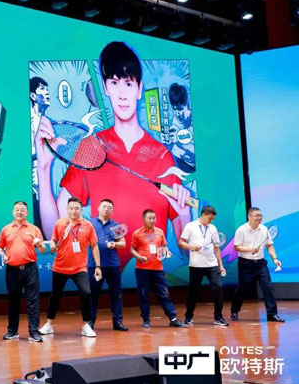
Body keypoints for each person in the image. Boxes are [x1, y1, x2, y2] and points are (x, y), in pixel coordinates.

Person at [35, 41, 192, 267]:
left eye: (128, 83)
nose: (122, 94)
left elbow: (188, 253)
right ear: (106, 88)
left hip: (150, 278)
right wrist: (43, 168)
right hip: (104, 277)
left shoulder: (162, 156)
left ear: (139, 89)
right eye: (115, 83)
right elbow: (54, 233)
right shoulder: (91, 148)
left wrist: (185, 215)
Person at [39, 197, 102, 337]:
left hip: (79, 268)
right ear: (67, 209)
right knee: (55, 296)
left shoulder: (87, 225)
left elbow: (94, 246)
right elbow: (53, 239)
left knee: (86, 293)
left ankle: (86, 325)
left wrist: (98, 266)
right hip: (60, 267)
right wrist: (53, 244)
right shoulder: (60, 224)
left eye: (77, 208)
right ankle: (49, 324)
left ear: (81, 210)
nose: (74, 211)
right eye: (71, 208)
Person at [0, 201, 46, 343]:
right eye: (17, 209)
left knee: (33, 301)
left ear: (27, 212)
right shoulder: (6, 229)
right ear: (13, 212)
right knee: (13, 301)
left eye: (22, 210)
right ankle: (12, 331)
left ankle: (33, 332)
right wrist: (2, 254)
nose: (19, 212)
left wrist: (39, 244)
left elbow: (43, 249)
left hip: (30, 269)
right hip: (12, 270)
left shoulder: (34, 229)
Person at [130, 209, 186, 328]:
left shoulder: (160, 232)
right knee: (143, 295)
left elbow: (164, 246)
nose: (152, 220)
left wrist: (167, 252)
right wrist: (139, 257)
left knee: (164, 294)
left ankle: (173, 319)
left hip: (157, 269)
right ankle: (146, 320)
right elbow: (132, 249)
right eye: (149, 218)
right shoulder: (137, 233)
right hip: (142, 269)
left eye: (154, 218)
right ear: (144, 219)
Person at [230, 207, 284, 322]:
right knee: (242, 288)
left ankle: (272, 314)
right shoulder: (241, 230)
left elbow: (269, 245)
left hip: (260, 264)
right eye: (256, 216)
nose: (259, 218)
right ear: (249, 216)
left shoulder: (264, 229)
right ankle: (234, 310)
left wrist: (275, 258)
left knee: (267, 287)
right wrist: (250, 249)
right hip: (245, 263)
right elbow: (237, 247)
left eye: (260, 216)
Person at [178, 205, 228, 326]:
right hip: (196, 265)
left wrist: (221, 265)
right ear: (203, 215)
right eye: (210, 218)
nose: (211, 221)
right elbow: (181, 242)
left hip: (212, 265)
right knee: (193, 292)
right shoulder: (190, 226)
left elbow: (216, 248)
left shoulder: (213, 228)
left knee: (218, 289)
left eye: (212, 219)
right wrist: (192, 247)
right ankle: (188, 317)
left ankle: (218, 317)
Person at [88, 199, 127, 331]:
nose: (106, 209)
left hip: (112, 265)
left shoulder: (115, 226)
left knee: (116, 294)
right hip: (94, 265)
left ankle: (118, 322)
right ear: (98, 208)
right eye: (104, 207)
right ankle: (90, 323)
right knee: (92, 294)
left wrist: (114, 244)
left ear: (112, 211)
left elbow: (123, 243)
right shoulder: (90, 224)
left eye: (109, 207)